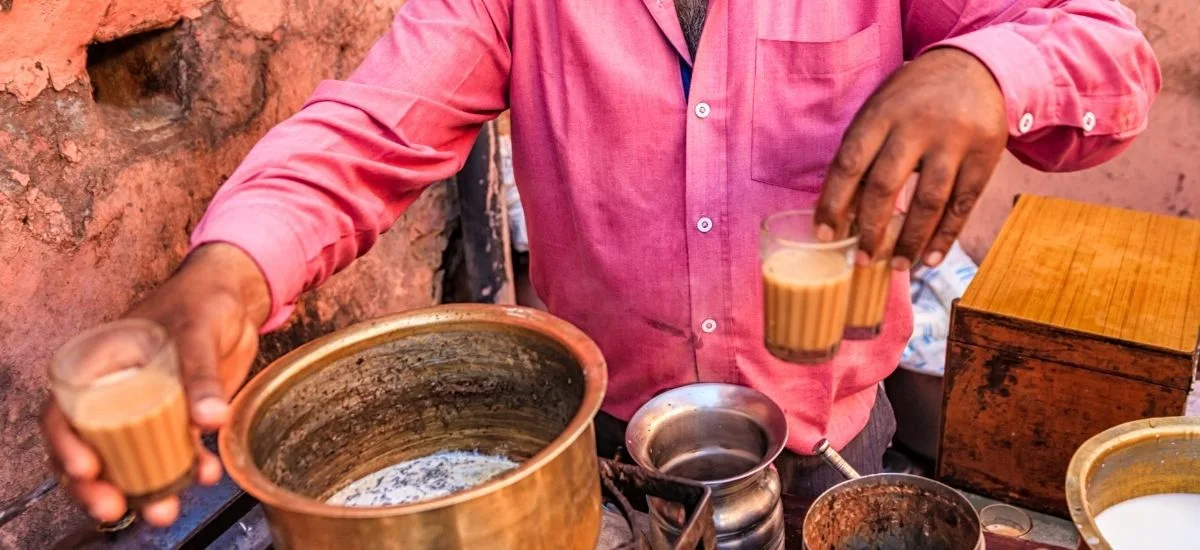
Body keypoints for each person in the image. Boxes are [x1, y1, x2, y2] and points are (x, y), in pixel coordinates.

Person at [42, 0, 1159, 527]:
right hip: (604, 465)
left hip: (830, 450)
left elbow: (1108, 52)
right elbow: (373, 126)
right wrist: (227, 270)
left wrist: (983, 69)